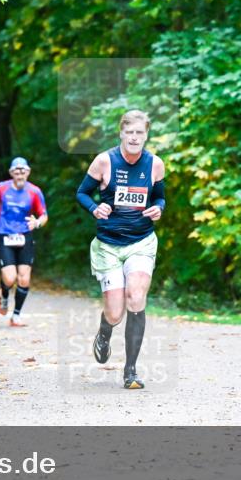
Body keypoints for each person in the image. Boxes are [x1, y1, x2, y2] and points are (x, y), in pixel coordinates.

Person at [75, 110, 165, 389]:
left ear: (146, 135)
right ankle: (105, 331)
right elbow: (81, 192)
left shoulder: (155, 164)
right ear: (121, 134)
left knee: (136, 297)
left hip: (141, 242)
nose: (135, 137)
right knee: (115, 313)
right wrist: (94, 207)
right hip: (108, 246)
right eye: (130, 132)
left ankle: (131, 371)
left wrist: (158, 209)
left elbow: (160, 197)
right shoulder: (105, 161)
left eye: (140, 132)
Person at [0, 157, 48, 327]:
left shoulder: (34, 191)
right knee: (10, 278)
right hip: (4, 234)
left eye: (23, 170)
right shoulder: (1, 188)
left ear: (28, 172)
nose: (20, 173)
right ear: (11, 173)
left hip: (25, 235)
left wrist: (37, 223)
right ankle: (4, 294)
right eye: (16, 170)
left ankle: (16, 315)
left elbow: (44, 215)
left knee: (24, 279)